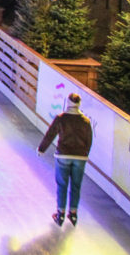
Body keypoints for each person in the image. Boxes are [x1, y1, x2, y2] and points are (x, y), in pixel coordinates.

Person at [38, 93, 93, 227]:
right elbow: (89, 141)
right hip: (80, 157)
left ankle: (60, 213)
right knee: (76, 185)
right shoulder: (85, 121)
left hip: (63, 155)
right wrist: (84, 154)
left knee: (62, 184)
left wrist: (41, 148)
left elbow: (50, 134)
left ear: (67, 103)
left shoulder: (61, 118)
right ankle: (73, 213)